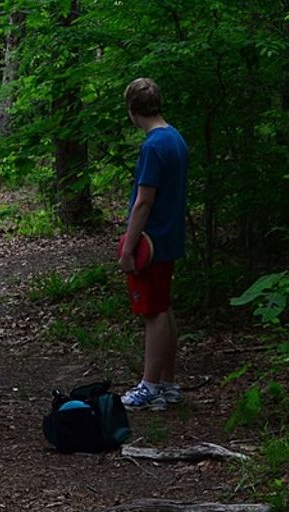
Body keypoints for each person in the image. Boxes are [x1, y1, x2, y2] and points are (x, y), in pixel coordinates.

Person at [117, 78, 188, 411]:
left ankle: (150, 385)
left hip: (151, 243)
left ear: (132, 110)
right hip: (170, 238)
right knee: (165, 306)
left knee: (153, 312)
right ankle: (169, 383)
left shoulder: (153, 146)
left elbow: (143, 202)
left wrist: (128, 249)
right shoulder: (176, 139)